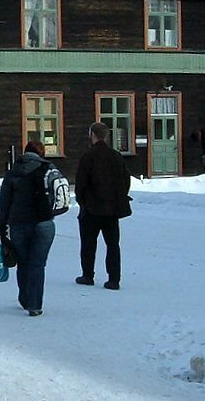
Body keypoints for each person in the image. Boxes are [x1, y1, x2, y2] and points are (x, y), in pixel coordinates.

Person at [0, 140, 55, 317]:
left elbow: (4, 203)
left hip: (19, 223)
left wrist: (0, 227)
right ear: (41, 154)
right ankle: (35, 304)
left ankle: (25, 298)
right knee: (38, 263)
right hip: (44, 223)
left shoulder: (13, 173)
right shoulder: (48, 169)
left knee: (23, 261)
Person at [75, 122, 131, 290]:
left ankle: (88, 275)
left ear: (92, 135)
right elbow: (125, 180)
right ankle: (114, 279)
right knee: (113, 245)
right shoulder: (116, 156)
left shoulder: (88, 156)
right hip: (112, 209)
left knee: (88, 243)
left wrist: (83, 201)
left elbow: (80, 184)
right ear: (106, 136)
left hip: (92, 208)